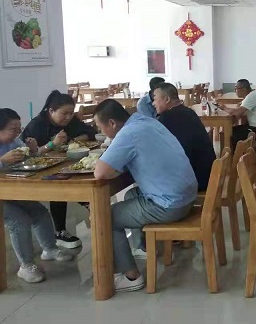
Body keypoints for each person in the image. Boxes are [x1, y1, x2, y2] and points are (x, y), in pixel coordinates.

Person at [93, 100, 197, 292]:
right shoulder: (147, 121)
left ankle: (131, 276)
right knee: (131, 194)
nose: (102, 132)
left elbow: (100, 172)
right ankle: (142, 247)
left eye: (101, 127)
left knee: (105, 216)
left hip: (170, 204)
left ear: (112, 123)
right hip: (187, 195)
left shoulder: (128, 133)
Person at [0, 109, 73, 283]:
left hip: (11, 190)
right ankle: (26, 266)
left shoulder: (14, 142)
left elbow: (30, 159)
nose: (17, 133)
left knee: (39, 212)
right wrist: (2, 160)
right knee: (18, 220)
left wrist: (33, 151)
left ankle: (50, 249)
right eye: (13, 129)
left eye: (19, 129)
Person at [22, 90, 96, 249]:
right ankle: (60, 230)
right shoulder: (36, 126)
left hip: (60, 164)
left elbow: (90, 132)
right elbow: (29, 154)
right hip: (38, 170)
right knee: (61, 181)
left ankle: (90, 205)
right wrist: (52, 144)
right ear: (51, 111)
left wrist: (72, 141)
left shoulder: (70, 121)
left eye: (71, 113)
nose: (68, 117)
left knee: (75, 174)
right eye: (64, 113)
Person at [153, 83, 216, 191]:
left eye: (155, 99)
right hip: (209, 175)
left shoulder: (167, 118)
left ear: (167, 99)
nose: (153, 103)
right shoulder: (189, 112)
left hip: (194, 181)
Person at [220, 79, 256, 150]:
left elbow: (236, 113)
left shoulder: (252, 97)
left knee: (232, 134)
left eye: (236, 88)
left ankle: (234, 156)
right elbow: (240, 109)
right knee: (228, 130)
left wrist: (224, 108)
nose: (235, 90)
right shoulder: (252, 95)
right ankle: (232, 154)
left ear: (244, 89)